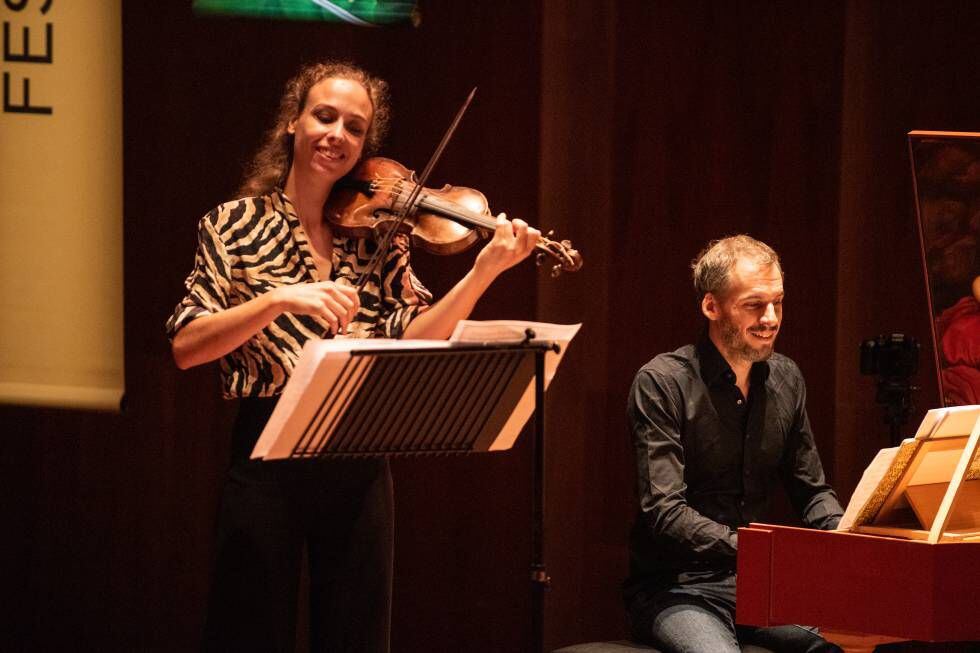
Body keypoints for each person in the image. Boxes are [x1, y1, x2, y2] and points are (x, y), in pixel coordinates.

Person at [165, 60, 539, 653]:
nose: (338, 134)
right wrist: (279, 298)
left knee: (357, 635)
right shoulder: (232, 225)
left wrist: (482, 271)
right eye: (324, 116)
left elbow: (413, 334)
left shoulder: (375, 234)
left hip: (359, 445)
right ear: (293, 122)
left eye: (355, 127)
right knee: (249, 629)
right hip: (268, 452)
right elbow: (186, 345)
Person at [623, 235, 844, 653]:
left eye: (777, 302)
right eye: (753, 305)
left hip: (755, 588)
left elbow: (811, 490)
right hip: (677, 589)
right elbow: (664, 511)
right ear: (711, 306)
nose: (771, 317)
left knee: (835, 648)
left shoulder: (786, 377)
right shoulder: (662, 382)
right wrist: (757, 552)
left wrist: (846, 539)